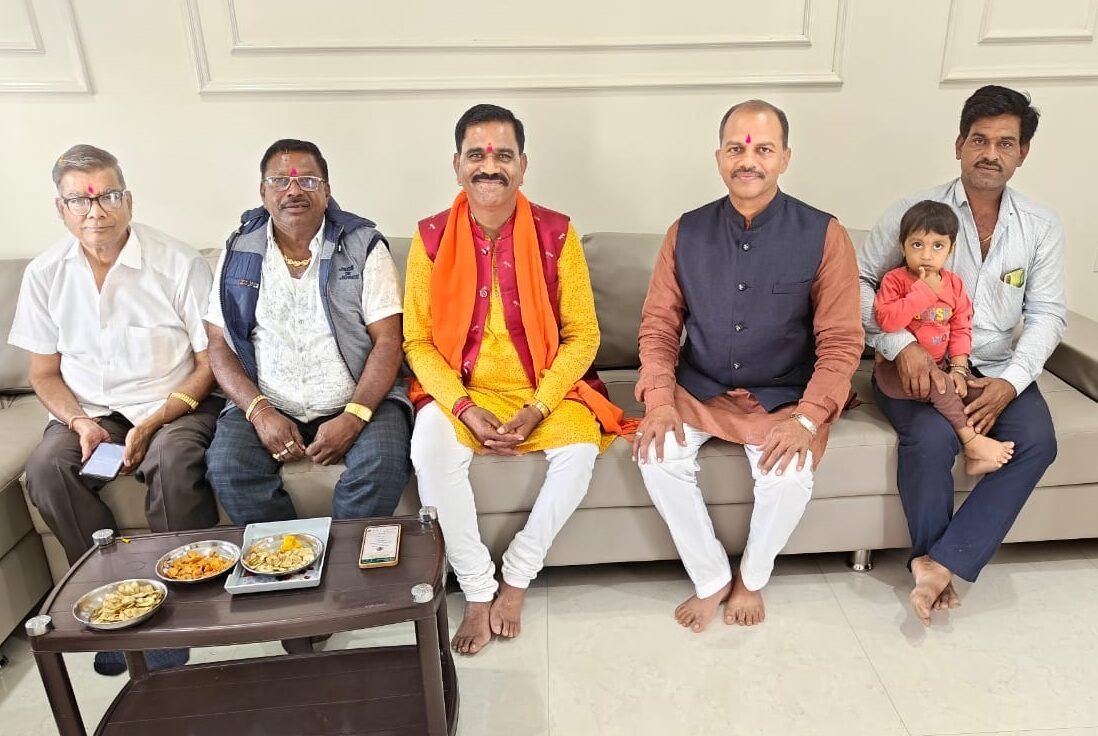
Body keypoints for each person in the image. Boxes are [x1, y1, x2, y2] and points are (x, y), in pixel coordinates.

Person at [404, 104, 633, 655]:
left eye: (503, 155)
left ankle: (518, 574)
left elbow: (583, 335)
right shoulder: (430, 238)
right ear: (457, 165)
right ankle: (477, 590)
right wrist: (462, 407)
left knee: (579, 450)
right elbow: (418, 342)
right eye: (477, 155)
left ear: (523, 166)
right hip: (463, 391)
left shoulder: (557, 233)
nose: (490, 166)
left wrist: (539, 406)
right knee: (429, 450)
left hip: (543, 389)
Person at [634, 100, 864, 632]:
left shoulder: (824, 234)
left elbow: (841, 342)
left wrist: (808, 418)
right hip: (700, 388)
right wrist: (661, 401)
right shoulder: (685, 232)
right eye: (736, 148)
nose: (748, 160)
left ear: (785, 158)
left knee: (790, 474)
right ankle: (712, 575)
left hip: (784, 394)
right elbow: (659, 327)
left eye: (763, 149)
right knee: (655, 455)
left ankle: (752, 578)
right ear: (719, 157)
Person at [10, 144, 221, 675]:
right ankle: (113, 599)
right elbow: (43, 373)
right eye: (79, 201)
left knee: (172, 462)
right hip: (89, 410)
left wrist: (154, 422)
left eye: (107, 196)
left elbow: (209, 363)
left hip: (174, 404)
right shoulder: (45, 274)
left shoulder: (177, 262)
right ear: (61, 209)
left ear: (128, 200)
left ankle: (180, 608)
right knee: (46, 469)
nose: (95, 211)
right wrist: (79, 422)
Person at [859, 85, 1065, 625]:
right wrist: (900, 345)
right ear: (959, 145)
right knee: (931, 439)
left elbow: (1047, 314)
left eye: (1005, 143)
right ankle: (932, 560)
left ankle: (940, 563)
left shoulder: (1040, 226)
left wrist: (1011, 382)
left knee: (1038, 441)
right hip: (917, 364)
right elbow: (858, 284)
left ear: (1023, 152)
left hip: (993, 364)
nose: (990, 154)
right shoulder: (913, 212)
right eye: (979, 140)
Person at [205, 139, 411, 526]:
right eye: (280, 180)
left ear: (327, 190)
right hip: (268, 399)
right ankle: (291, 557)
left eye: (308, 181)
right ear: (263, 192)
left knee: (383, 462)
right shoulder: (239, 249)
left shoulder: (363, 245)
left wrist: (355, 416)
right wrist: (260, 412)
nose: (294, 190)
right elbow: (219, 344)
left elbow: (388, 341)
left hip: (358, 397)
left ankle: (345, 559)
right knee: (228, 467)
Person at [872, 200, 1015, 474]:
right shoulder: (895, 280)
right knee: (941, 387)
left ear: (951, 249)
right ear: (902, 247)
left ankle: (976, 456)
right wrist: (924, 292)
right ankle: (971, 442)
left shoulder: (954, 284)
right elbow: (887, 321)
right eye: (917, 245)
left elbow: (961, 328)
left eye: (937, 246)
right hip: (898, 371)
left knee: (974, 392)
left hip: (942, 364)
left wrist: (959, 370)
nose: (926, 255)